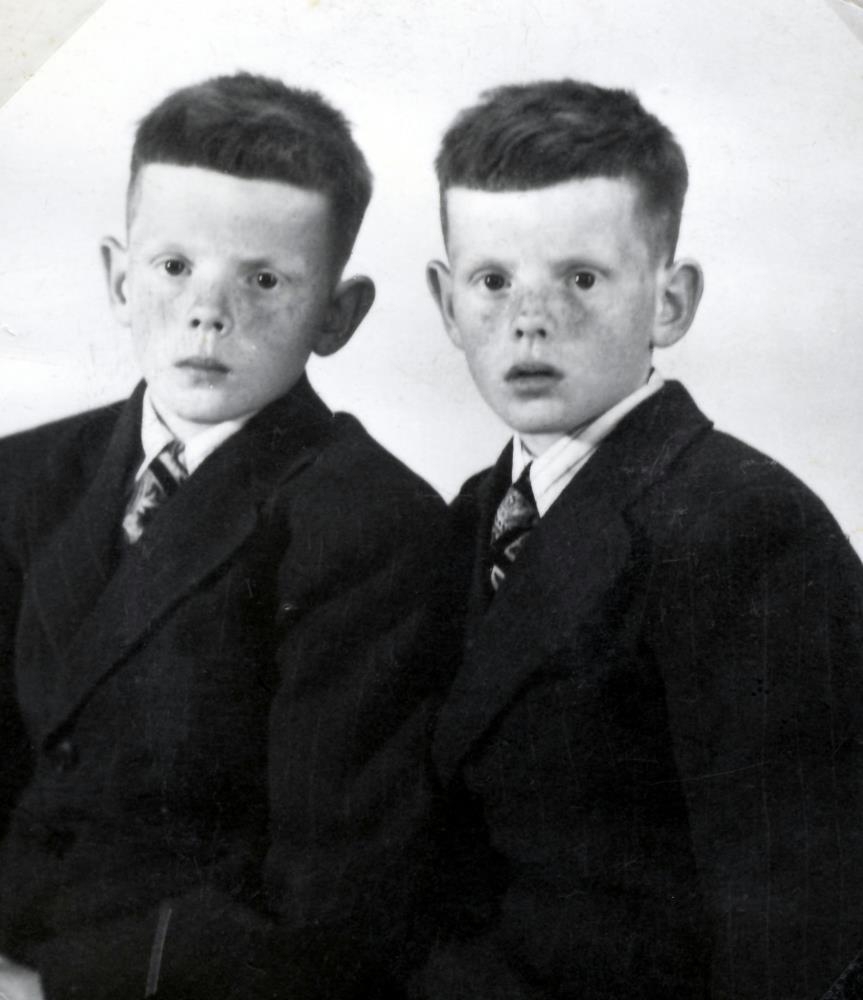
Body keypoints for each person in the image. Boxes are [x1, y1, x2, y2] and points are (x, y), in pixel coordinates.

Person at [0, 72, 451, 1000]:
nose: (210, 312)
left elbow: (331, 898)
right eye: (174, 268)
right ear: (118, 279)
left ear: (338, 315)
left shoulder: (373, 526)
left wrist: (49, 989)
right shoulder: (22, 476)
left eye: (264, 280)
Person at [413, 79, 863, 999]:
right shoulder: (472, 516)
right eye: (492, 281)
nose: (528, 319)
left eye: (580, 279)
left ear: (670, 301)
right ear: (446, 303)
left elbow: (799, 933)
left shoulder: (747, 530)